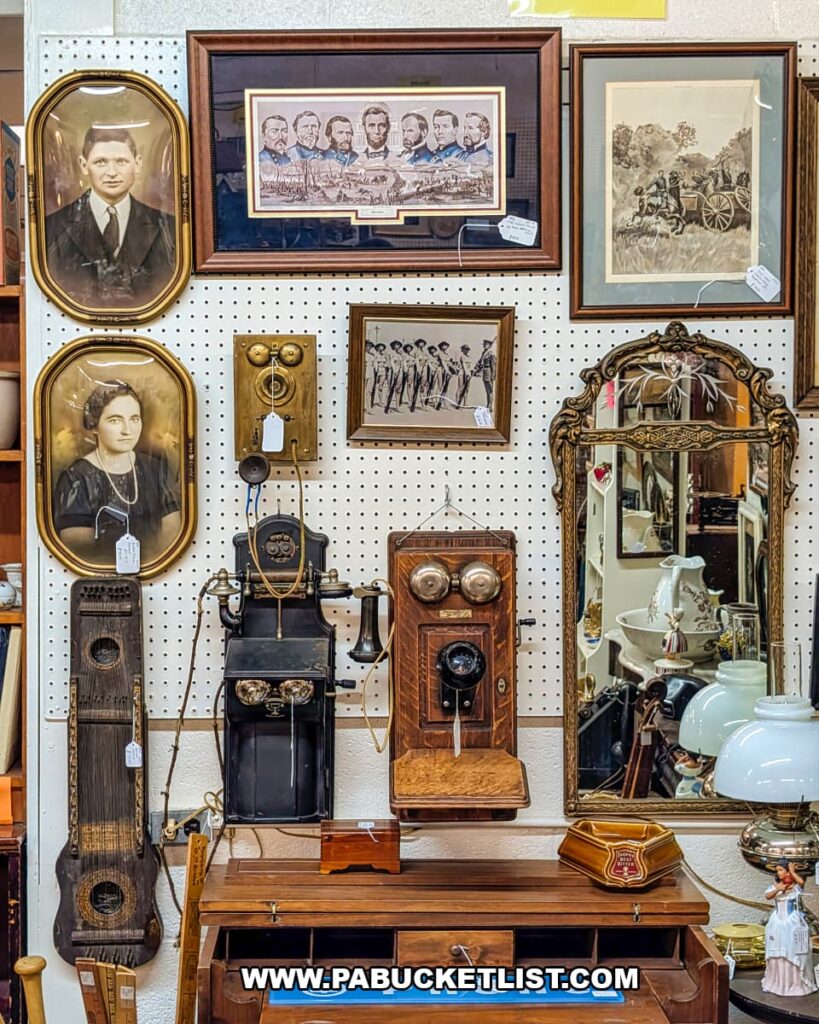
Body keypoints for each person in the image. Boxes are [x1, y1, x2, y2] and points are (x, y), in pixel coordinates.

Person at [45, 126, 175, 309]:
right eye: (101, 162)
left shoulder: (169, 226)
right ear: (84, 165)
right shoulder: (52, 226)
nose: (112, 172)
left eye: (121, 161)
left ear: (137, 164)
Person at [52, 381, 181, 564]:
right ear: (95, 426)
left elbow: (171, 535)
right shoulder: (75, 478)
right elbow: (79, 550)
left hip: (158, 570)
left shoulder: (155, 467)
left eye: (134, 419)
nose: (127, 430)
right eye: (115, 420)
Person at [762, 861, 817, 997]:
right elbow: (768, 896)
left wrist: (793, 872)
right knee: (778, 949)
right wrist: (778, 889)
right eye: (777, 870)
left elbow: (801, 883)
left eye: (781, 870)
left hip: (792, 921)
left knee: (793, 948)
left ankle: (796, 982)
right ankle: (778, 982)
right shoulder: (775, 886)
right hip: (777, 922)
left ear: (787, 871)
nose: (778, 873)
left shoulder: (795, 887)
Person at [474, 338, 496, 409]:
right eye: (484, 344)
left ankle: (490, 406)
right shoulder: (484, 353)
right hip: (485, 371)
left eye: (486, 344)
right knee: (487, 390)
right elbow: (480, 361)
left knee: (490, 390)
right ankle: (488, 404)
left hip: (489, 370)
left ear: (489, 345)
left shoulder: (491, 353)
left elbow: (493, 365)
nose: (484, 346)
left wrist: (493, 376)